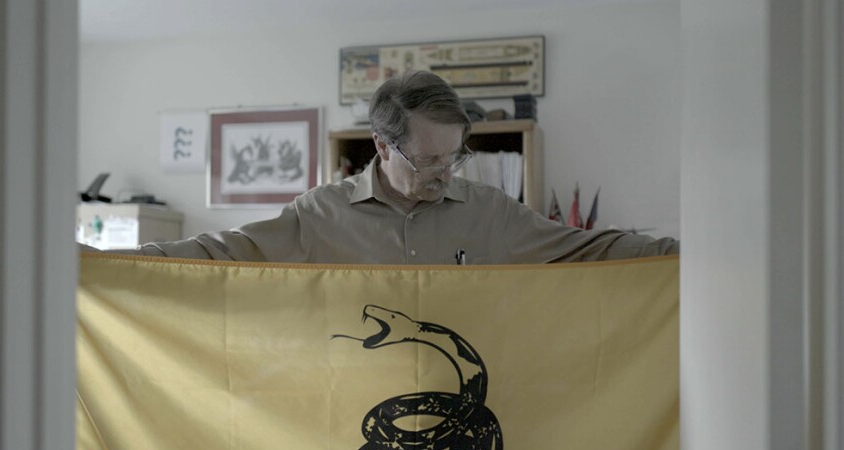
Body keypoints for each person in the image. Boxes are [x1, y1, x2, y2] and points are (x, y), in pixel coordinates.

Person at [105, 71, 678, 264]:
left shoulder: (493, 214)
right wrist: (114, 263)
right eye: (428, 159)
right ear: (381, 146)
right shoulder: (319, 215)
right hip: (349, 415)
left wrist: (691, 258)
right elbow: (221, 252)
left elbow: (588, 249)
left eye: (456, 156)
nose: (446, 171)